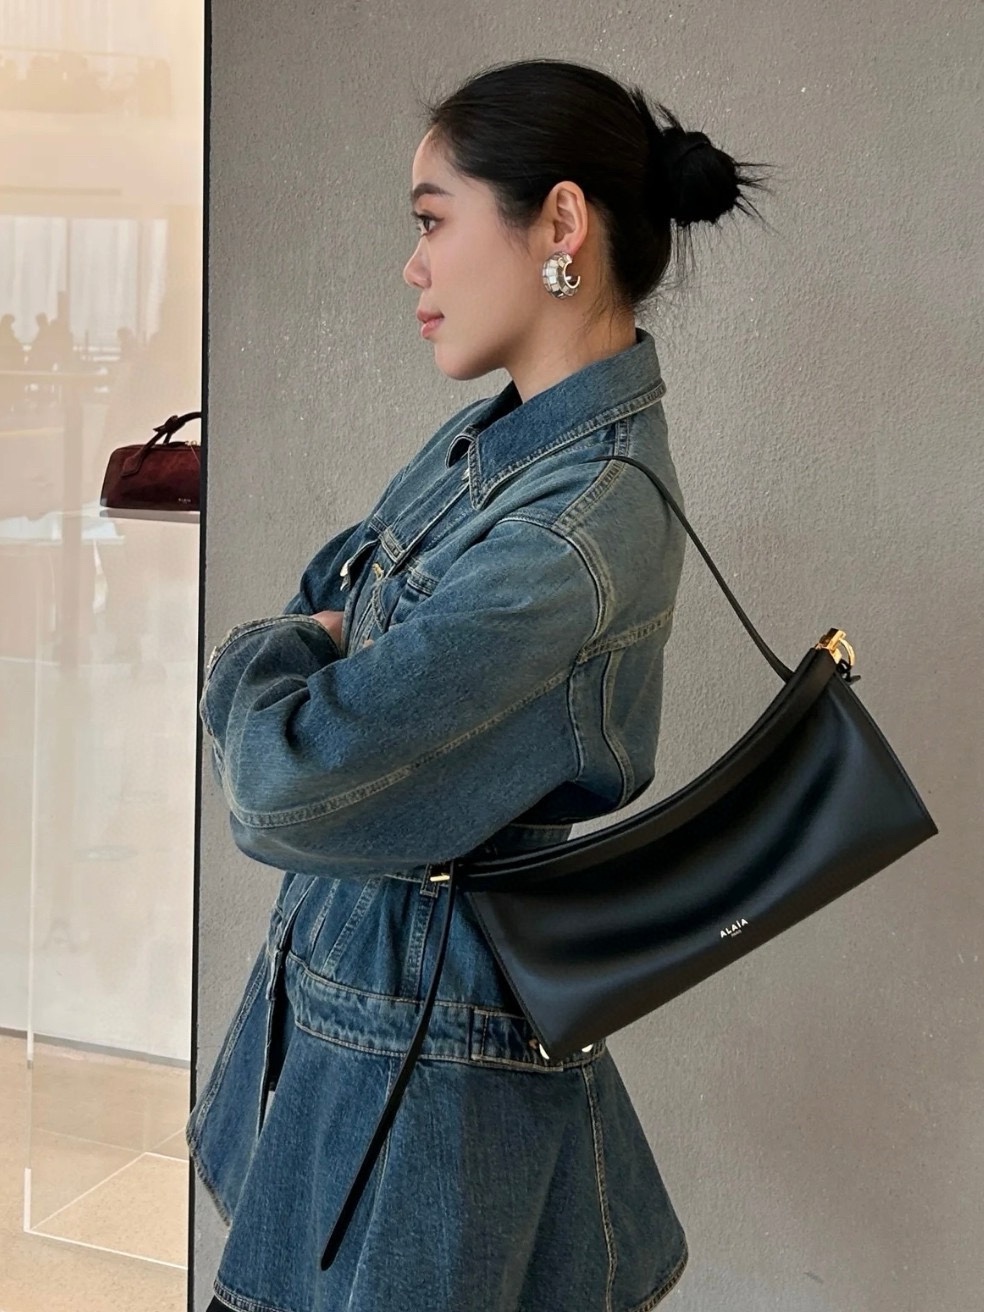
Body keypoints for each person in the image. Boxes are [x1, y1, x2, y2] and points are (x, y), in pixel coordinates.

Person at [189, 57, 771, 1312]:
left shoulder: (569, 532)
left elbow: (283, 782)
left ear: (559, 224)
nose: (413, 266)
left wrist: (258, 657)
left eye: (432, 220)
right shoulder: (513, 442)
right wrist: (317, 642)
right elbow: (332, 584)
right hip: (386, 1023)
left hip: (429, 1077)